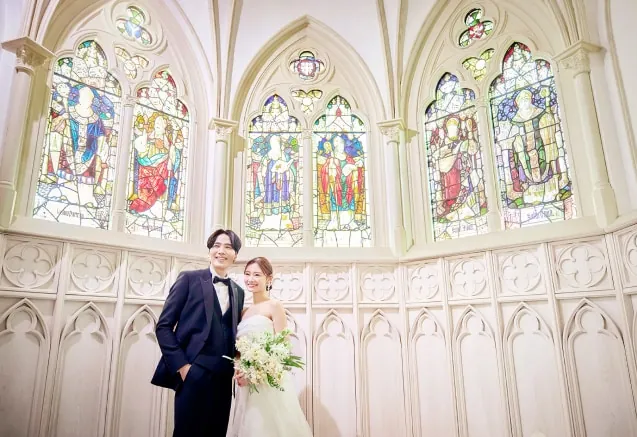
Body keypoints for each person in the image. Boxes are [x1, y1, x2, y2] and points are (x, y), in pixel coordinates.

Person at [151, 229, 245, 437]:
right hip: (193, 372)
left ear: (235, 255)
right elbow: (163, 327)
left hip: (223, 379)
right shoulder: (189, 279)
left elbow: (234, 334)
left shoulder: (238, 291)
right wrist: (183, 367)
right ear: (209, 251)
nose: (221, 251)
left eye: (228, 247)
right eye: (216, 246)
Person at [226, 257, 313, 437]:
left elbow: (283, 347)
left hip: (268, 382)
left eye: (257, 275)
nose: (251, 279)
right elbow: (239, 349)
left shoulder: (274, 306)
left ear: (269, 279)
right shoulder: (242, 312)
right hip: (245, 385)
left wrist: (257, 372)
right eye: (247, 274)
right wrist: (240, 369)